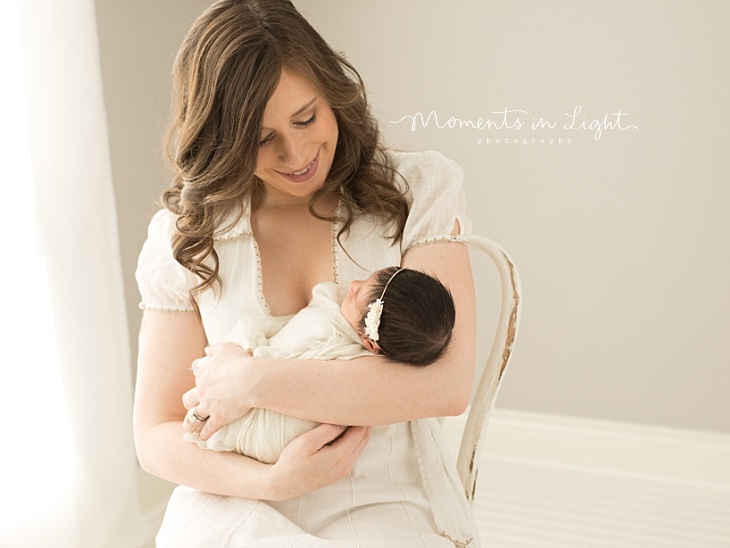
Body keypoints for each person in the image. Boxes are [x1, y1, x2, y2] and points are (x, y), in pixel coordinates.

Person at [133, 0, 479, 546]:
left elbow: (446, 384)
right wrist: (272, 481)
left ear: (333, 94)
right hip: (235, 499)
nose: (296, 154)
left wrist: (252, 380)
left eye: (306, 118)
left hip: (381, 500)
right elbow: (154, 435)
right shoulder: (185, 234)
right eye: (261, 138)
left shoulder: (417, 190)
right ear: (221, 138)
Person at [184, 266, 457, 464]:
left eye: (354, 295)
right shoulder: (379, 369)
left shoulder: (324, 321)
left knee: (245, 343)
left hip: (268, 435)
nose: (352, 284)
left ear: (371, 342)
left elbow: (266, 334)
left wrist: (241, 349)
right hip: (288, 449)